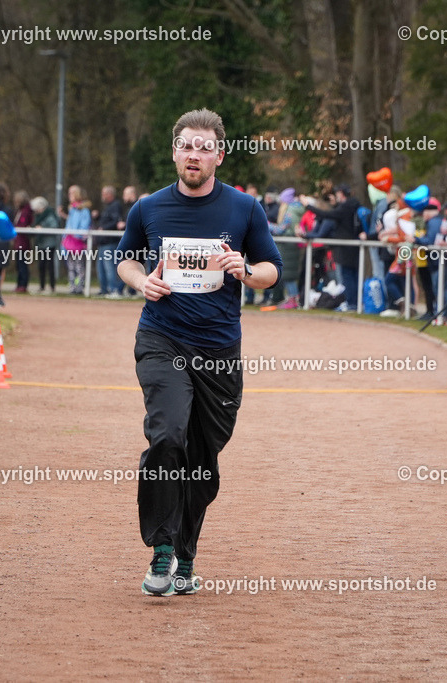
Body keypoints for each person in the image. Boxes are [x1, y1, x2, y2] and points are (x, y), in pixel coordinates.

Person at [116, 108, 282, 597]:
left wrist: (245, 269)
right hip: (162, 338)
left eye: (204, 147)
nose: (194, 154)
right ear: (175, 151)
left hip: (218, 349)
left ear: (219, 156)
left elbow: (272, 270)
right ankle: (162, 549)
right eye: (186, 145)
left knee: (202, 458)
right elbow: (124, 258)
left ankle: (187, 552)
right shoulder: (147, 208)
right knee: (167, 434)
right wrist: (140, 280)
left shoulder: (245, 209)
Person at [304, 183, 363, 311]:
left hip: (346, 247)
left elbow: (330, 215)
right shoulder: (352, 205)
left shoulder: (346, 207)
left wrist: (308, 206)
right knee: (351, 275)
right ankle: (353, 302)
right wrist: (334, 205)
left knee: (348, 276)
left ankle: (352, 303)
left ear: (341, 194)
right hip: (350, 246)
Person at [60, 185, 91, 294]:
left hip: (78, 243)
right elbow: (70, 224)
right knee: (71, 266)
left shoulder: (84, 210)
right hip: (69, 243)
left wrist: (76, 235)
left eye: (71, 193)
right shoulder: (72, 209)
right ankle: (72, 287)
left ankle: (80, 287)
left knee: (79, 267)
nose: (69, 196)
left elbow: (84, 226)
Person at [97, 185, 123, 297]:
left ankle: (113, 290)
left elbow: (116, 222)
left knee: (110, 267)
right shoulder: (107, 207)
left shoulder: (116, 205)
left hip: (110, 242)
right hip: (102, 242)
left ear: (109, 194)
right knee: (100, 268)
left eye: (104, 193)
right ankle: (104, 290)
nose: (102, 196)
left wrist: (104, 228)